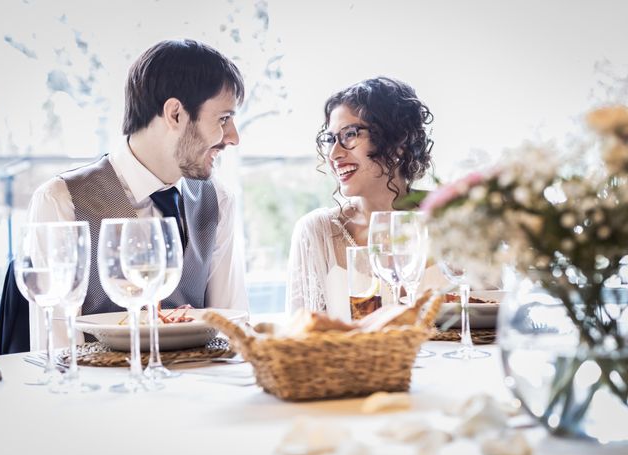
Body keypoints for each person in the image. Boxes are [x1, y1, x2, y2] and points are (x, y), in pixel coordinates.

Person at [26, 39, 248, 349]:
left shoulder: (219, 201)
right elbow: (59, 353)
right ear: (175, 114)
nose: (233, 138)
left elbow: (232, 331)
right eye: (223, 119)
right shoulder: (62, 200)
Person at [286, 76, 434, 321]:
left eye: (350, 135)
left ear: (398, 142)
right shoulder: (316, 232)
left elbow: (491, 314)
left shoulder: (454, 216)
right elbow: (301, 338)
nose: (334, 154)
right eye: (330, 139)